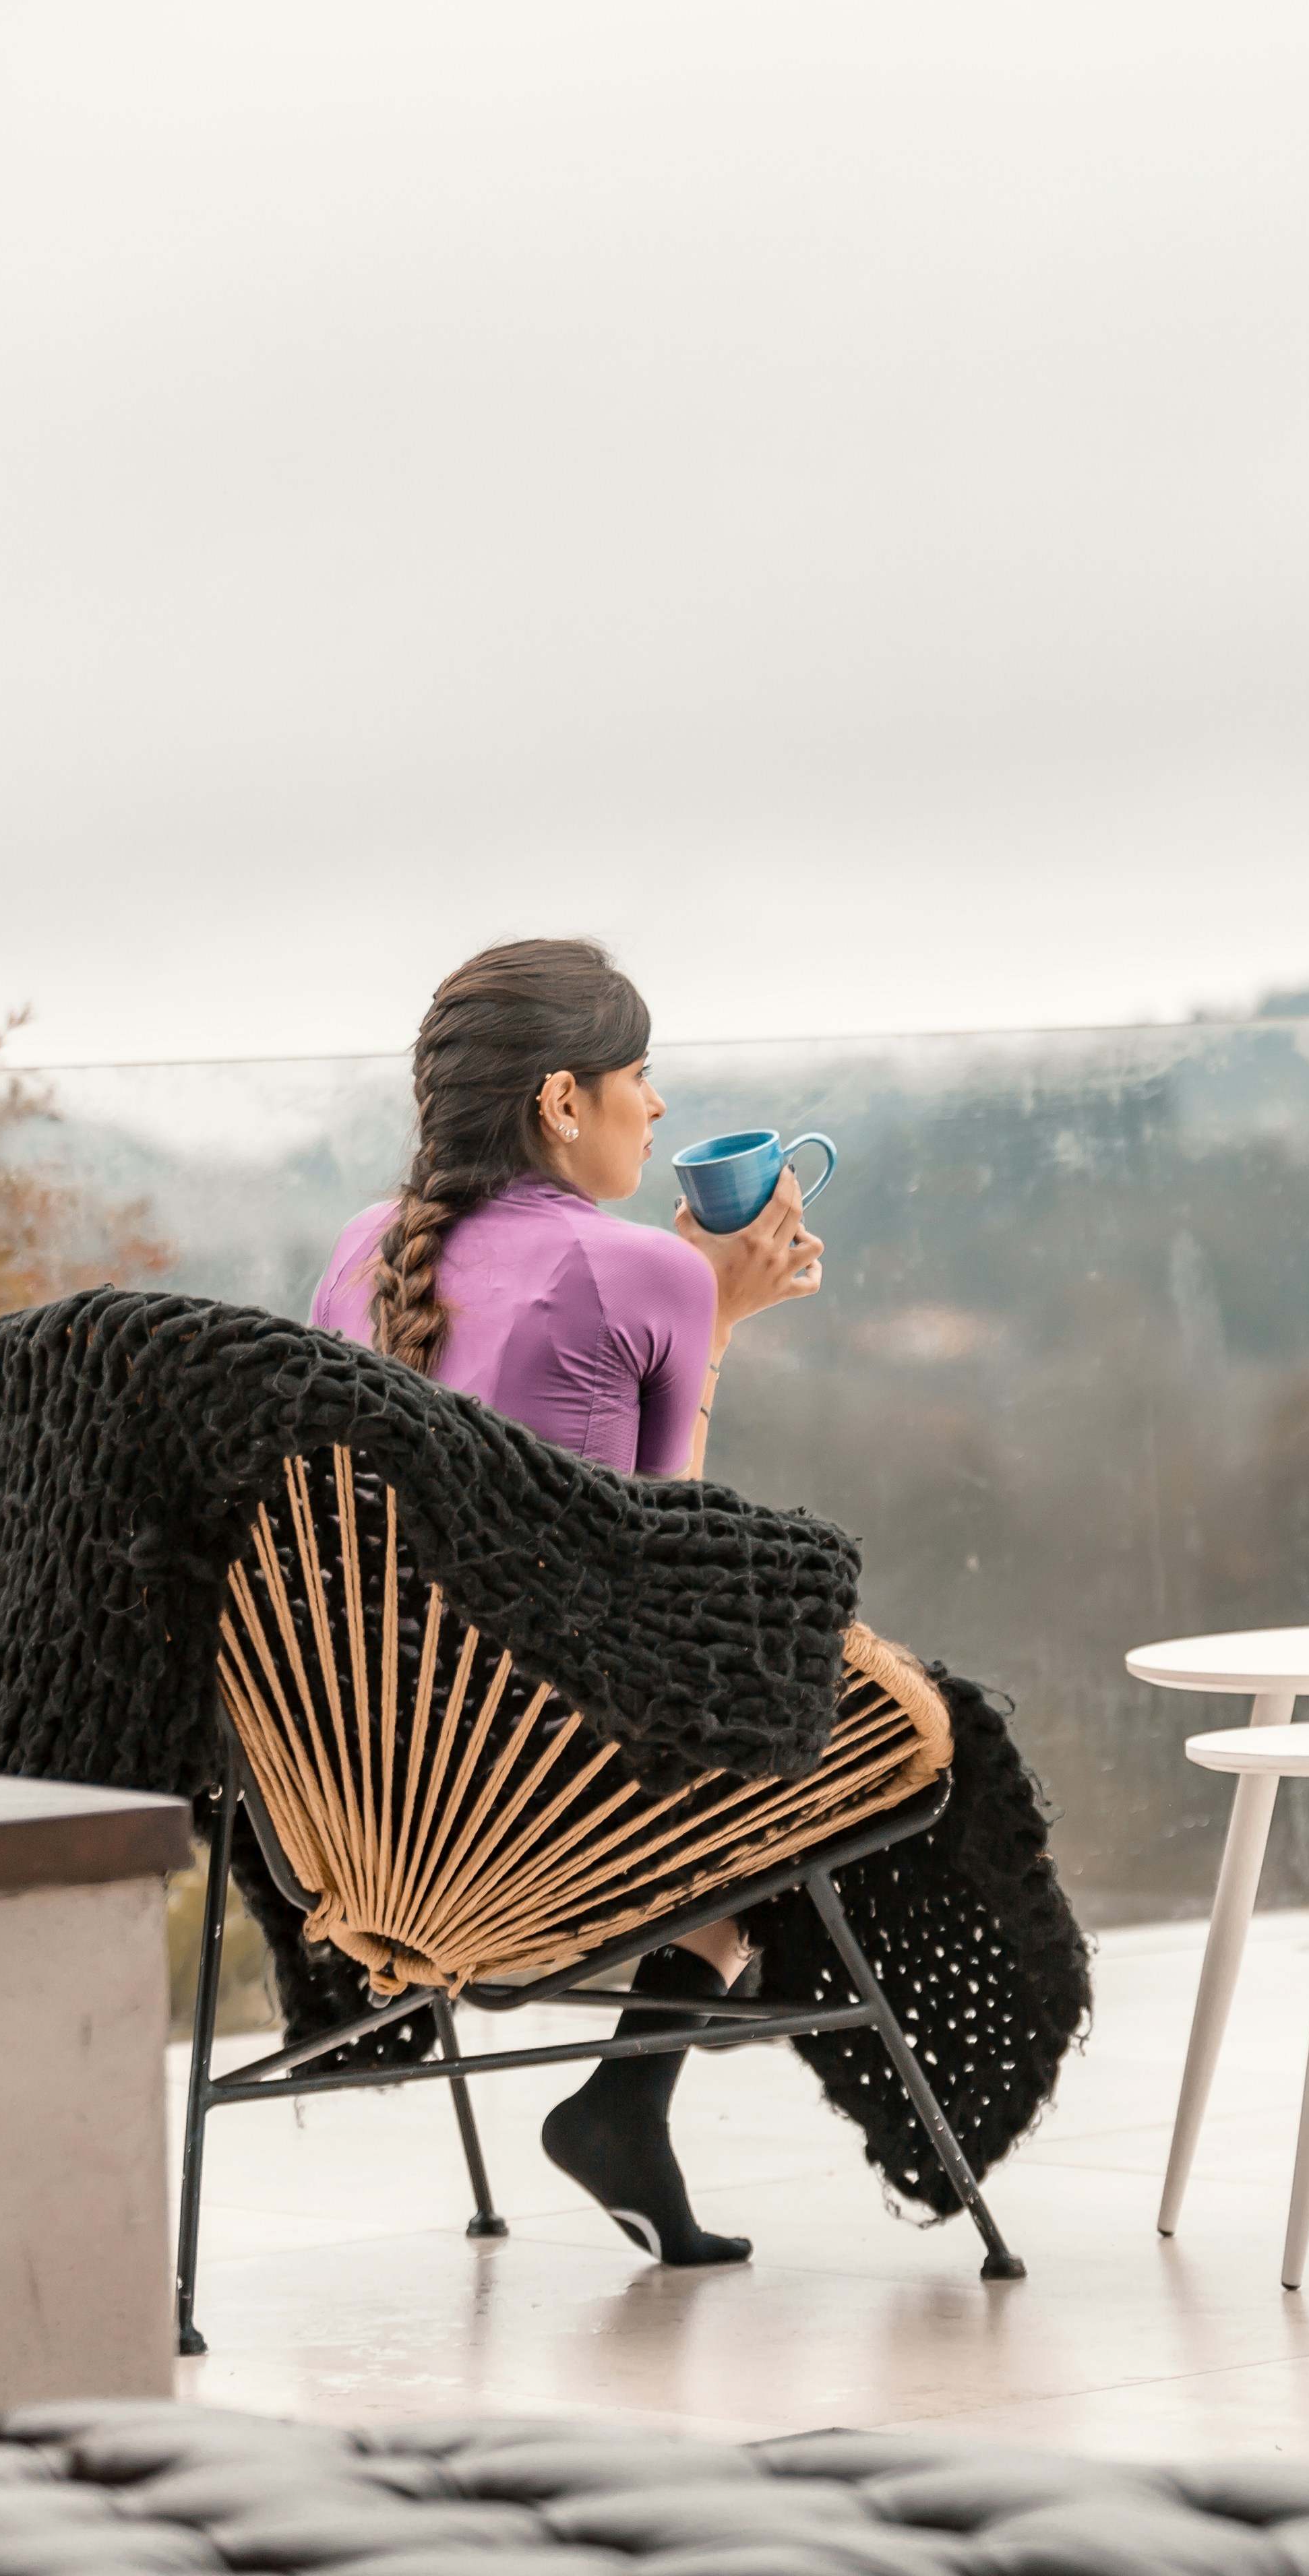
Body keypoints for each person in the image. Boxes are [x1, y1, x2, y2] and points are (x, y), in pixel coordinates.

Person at [305, 938, 822, 2267]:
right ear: (561, 1100)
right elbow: (669, 1565)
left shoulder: (364, 1254)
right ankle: (628, 2098)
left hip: (362, 1787)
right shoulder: (644, 1272)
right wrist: (717, 1320)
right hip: (545, 1792)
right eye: (639, 1078)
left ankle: (626, 2114)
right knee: (831, 1736)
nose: (656, 1108)